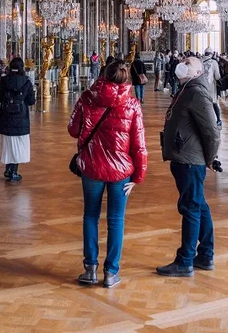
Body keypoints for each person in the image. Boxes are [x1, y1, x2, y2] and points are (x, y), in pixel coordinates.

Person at [68, 61, 147, 288]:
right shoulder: (132, 104)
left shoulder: (86, 98)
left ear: (103, 74)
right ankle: (111, 272)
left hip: (92, 166)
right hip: (121, 172)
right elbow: (139, 144)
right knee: (116, 220)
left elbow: (73, 130)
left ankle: (90, 269)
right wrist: (138, 177)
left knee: (90, 216)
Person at [156, 57, 220, 277]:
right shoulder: (187, 89)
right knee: (199, 206)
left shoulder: (197, 92)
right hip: (185, 158)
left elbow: (212, 130)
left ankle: (185, 260)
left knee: (191, 208)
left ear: (198, 71)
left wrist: (211, 158)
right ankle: (205, 254)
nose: (182, 64)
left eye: (187, 63)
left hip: (191, 161)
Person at [0, 57, 37, 181]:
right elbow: (31, 101)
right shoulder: (27, 82)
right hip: (20, 118)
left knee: (9, 145)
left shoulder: (4, 81)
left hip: (6, 117)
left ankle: (8, 169)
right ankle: (13, 171)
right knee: (19, 145)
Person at [201, 48, 223, 127]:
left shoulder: (200, 61)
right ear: (211, 54)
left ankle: (204, 120)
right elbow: (217, 76)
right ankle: (218, 119)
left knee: (203, 102)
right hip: (211, 86)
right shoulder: (214, 62)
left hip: (201, 85)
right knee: (214, 102)